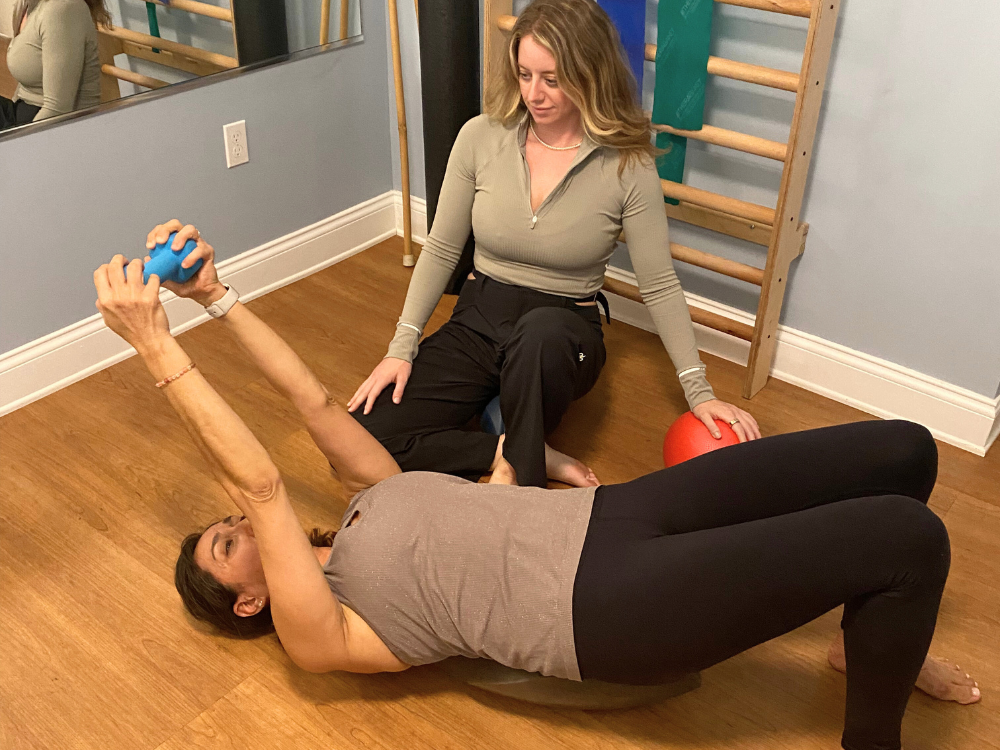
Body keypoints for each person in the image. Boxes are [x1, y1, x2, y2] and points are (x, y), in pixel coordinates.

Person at [95, 221, 979, 750]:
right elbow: (259, 486)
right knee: (908, 540)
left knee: (904, 450)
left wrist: (218, 298)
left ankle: (870, 640)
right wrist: (154, 346)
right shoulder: (316, 631)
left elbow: (314, 400)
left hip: (613, 515)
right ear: (246, 602)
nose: (236, 526)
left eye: (221, 528)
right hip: (607, 607)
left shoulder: (367, 503)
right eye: (225, 544)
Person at [347, 0, 760, 490]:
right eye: (524, 75)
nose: (534, 94)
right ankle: (517, 450)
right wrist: (401, 347)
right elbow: (439, 249)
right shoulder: (480, 137)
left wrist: (700, 391)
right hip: (479, 321)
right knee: (360, 436)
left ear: (590, 74)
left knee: (540, 333)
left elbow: (660, 284)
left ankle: (519, 461)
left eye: (553, 78)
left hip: (562, 333)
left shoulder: (628, 165)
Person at [1, 0, 106, 130]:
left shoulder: (63, 8)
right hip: (25, 118)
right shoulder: (28, 5)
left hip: (59, 131)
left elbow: (57, 110)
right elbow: (24, 86)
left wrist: (19, 144)